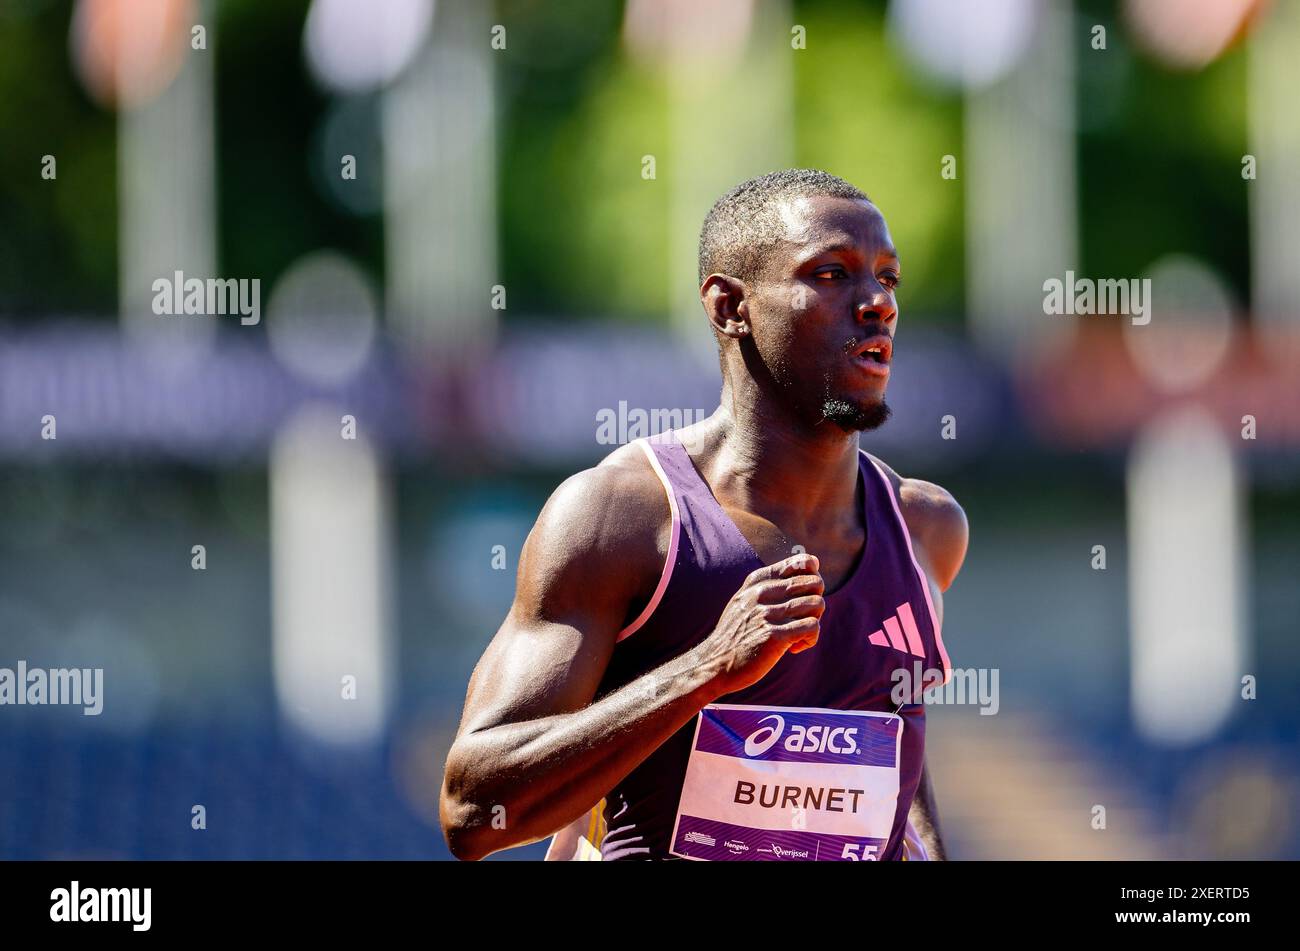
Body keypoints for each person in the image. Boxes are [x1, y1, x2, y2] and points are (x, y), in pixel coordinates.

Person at [441, 168, 968, 861]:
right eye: (833, 274)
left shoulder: (924, 529)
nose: (876, 303)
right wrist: (708, 669)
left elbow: (890, 741)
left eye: (888, 278)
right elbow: (473, 810)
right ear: (729, 306)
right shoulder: (620, 517)